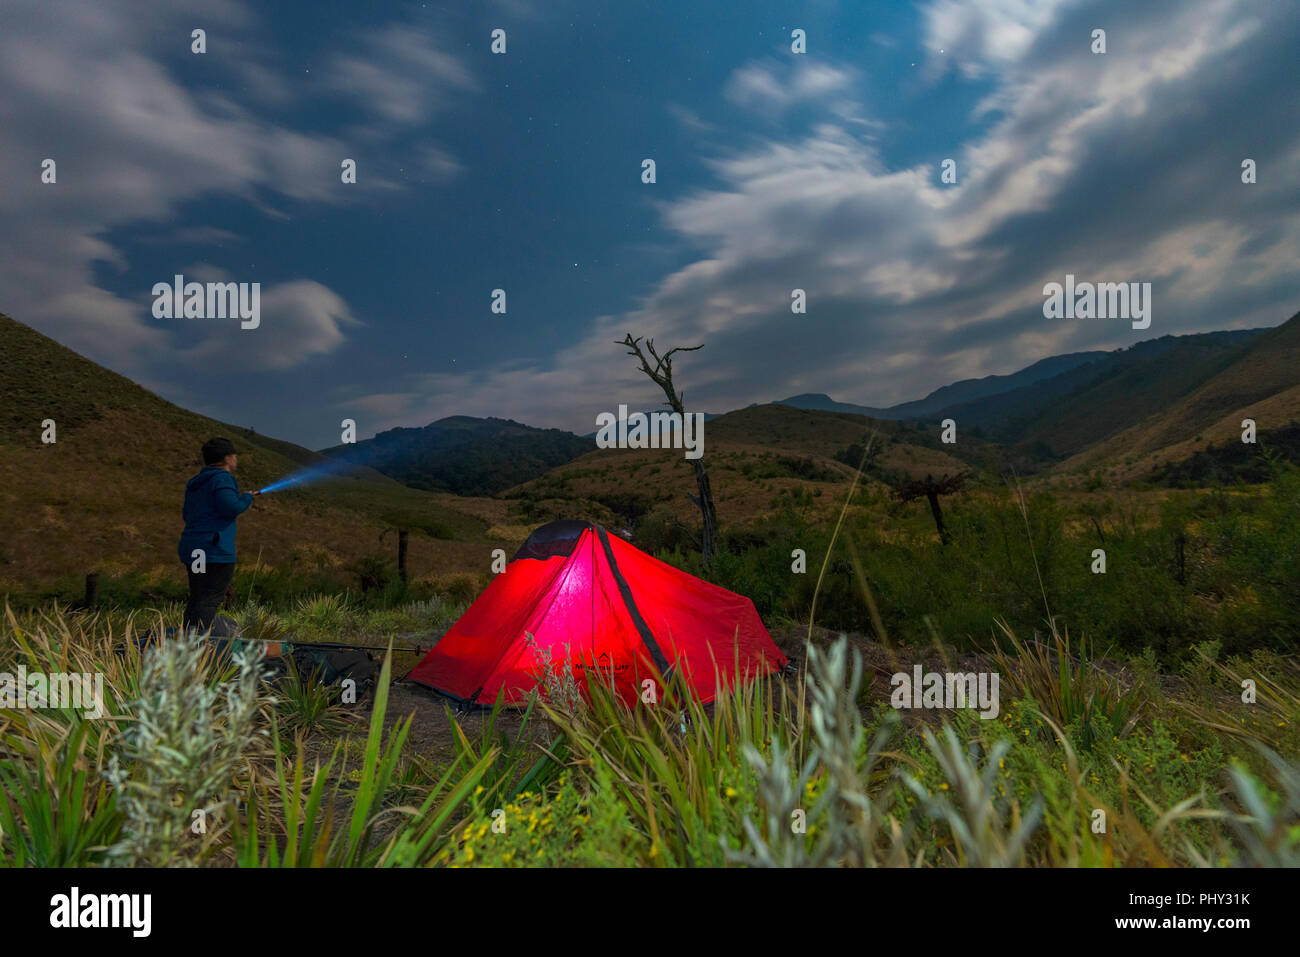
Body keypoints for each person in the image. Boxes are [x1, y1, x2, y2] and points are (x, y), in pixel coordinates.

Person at [178, 437, 259, 634]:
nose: (236, 459)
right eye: (234, 455)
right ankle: (199, 647)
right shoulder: (222, 478)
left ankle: (187, 639)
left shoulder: (196, 483)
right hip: (214, 549)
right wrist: (247, 497)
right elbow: (231, 507)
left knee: (198, 596)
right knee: (211, 597)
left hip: (194, 548)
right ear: (227, 458)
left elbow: (186, 514)